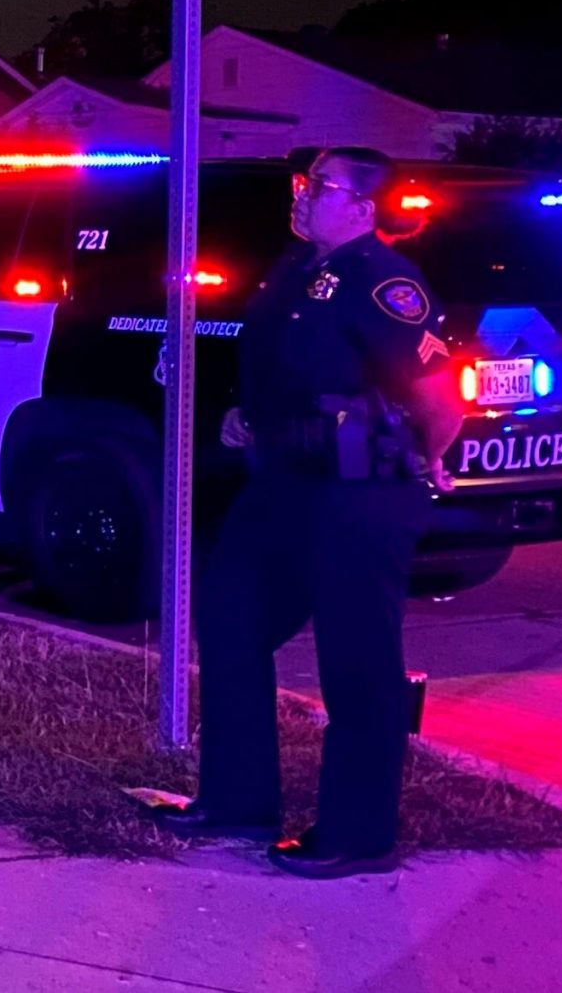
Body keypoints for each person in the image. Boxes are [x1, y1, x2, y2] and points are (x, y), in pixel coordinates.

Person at [162, 147, 463, 879]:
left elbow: (440, 392)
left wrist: (428, 454)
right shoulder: (295, 268)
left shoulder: (383, 279)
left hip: (357, 495)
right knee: (231, 618)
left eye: (321, 186)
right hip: (281, 486)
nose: (302, 195)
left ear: (362, 208)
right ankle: (238, 800)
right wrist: (246, 419)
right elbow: (286, 373)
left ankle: (357, 834)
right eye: (303, 182)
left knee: (356, 659)